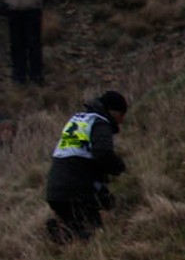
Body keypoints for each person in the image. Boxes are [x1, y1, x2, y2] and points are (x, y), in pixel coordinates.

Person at [46, 91, 127, 242]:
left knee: (79, 229)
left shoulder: (78, 120)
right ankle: (65, 232)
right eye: (122, 114)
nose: (122, 120)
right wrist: (120, 167)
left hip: (55, 188)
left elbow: (82, 157)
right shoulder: (100, 122)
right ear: (113, 111)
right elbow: (102, 154)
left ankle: (64, 230)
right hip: (76, 190)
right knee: (95, 235)